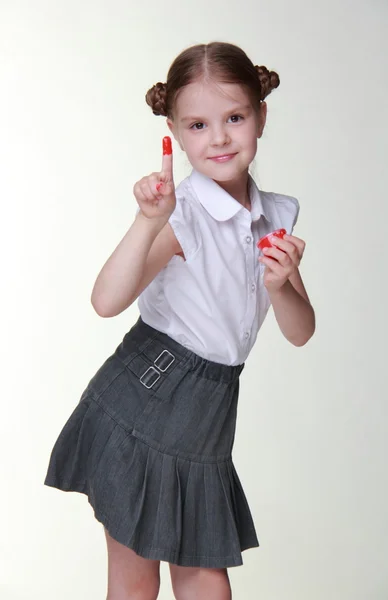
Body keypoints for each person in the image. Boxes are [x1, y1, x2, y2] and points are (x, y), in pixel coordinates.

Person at [44, 41, 315, 600]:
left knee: (205, 587)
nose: (217, 138)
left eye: (234, 118)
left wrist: (280, 283)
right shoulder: (182, 214)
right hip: (145, 401)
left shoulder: (278, 214)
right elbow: (106, 300)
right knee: (136, 583)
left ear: (262, 115)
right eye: (197, 125)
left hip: (208, 419)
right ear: (173, 128)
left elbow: (300, 330)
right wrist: (148, 223)